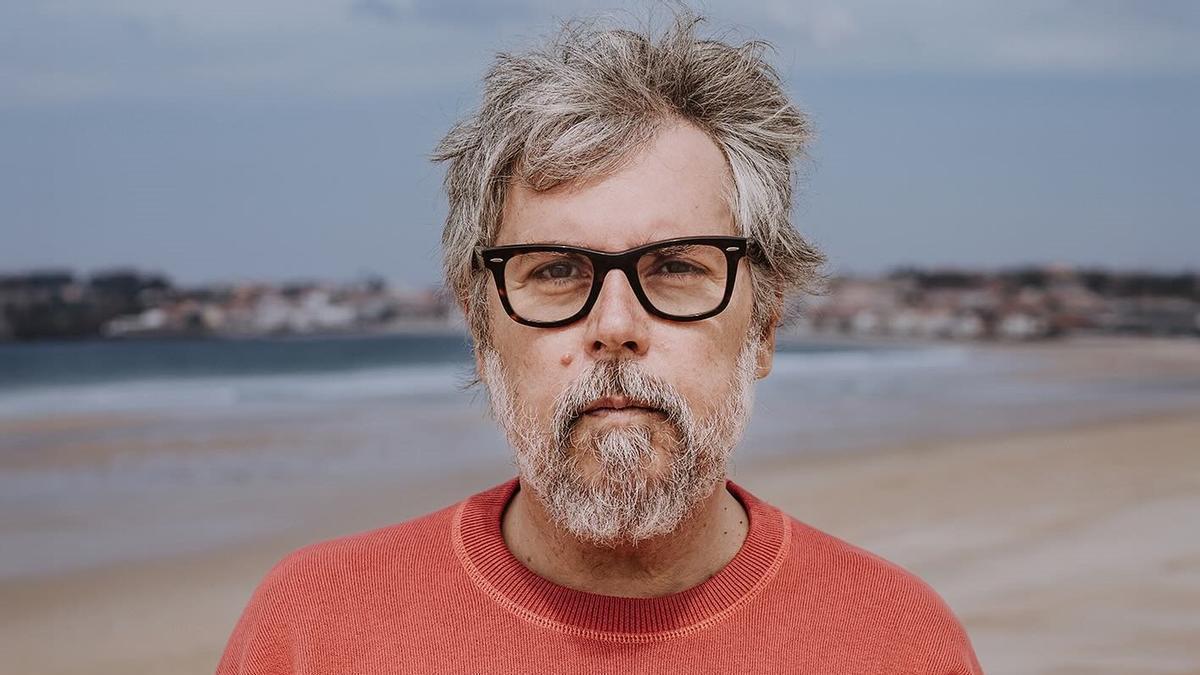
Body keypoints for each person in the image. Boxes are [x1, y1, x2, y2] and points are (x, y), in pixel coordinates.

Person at [217, 11, 982, 674]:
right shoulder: (311, 628)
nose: (615, 324)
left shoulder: (897, 641)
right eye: (555, 269)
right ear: (482, 325)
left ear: (765, 323)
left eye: (677, 266)